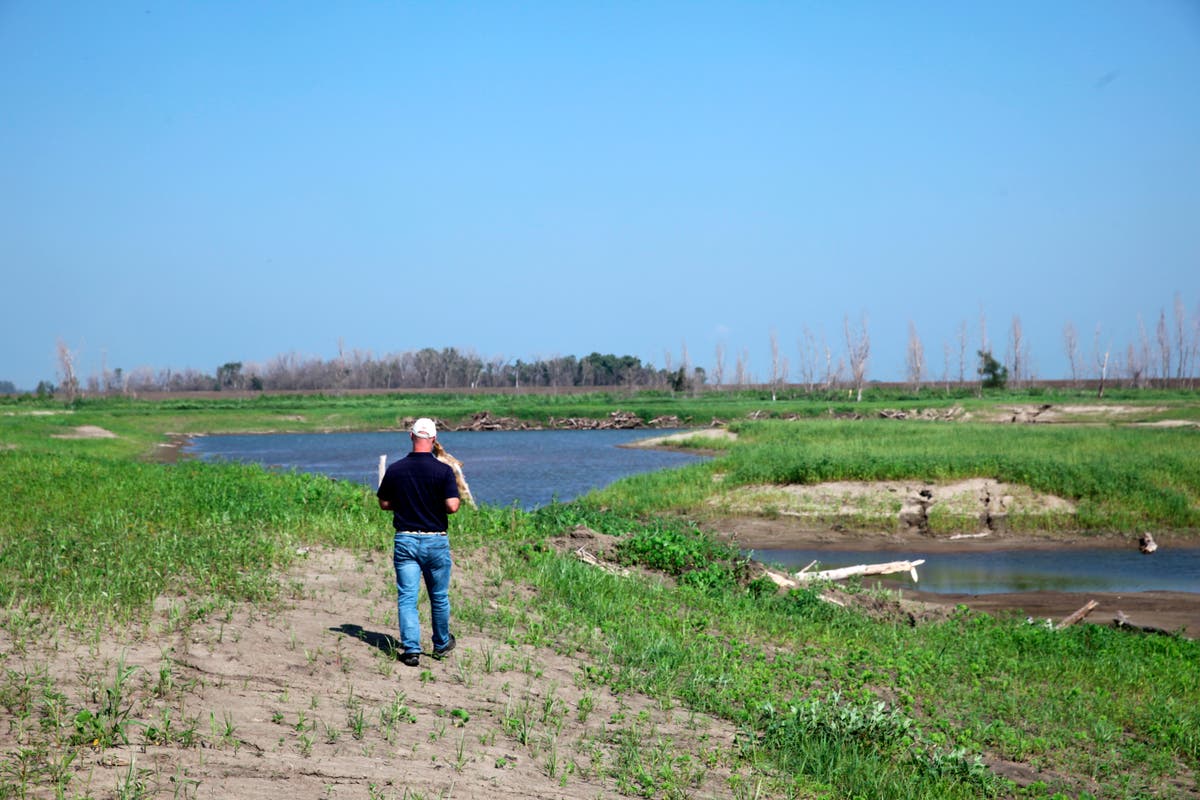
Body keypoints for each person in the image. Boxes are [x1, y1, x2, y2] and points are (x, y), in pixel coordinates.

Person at [377, 417, 461, 667]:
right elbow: (453, 506)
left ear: (411, 437)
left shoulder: (396, 469)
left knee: (407, 598)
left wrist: (403, 503)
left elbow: (384, 503)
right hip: (435, 541)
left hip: (405, 539)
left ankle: (412, 650)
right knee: (438, 596)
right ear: (434, 440)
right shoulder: (444, 471)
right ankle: (441, 643)